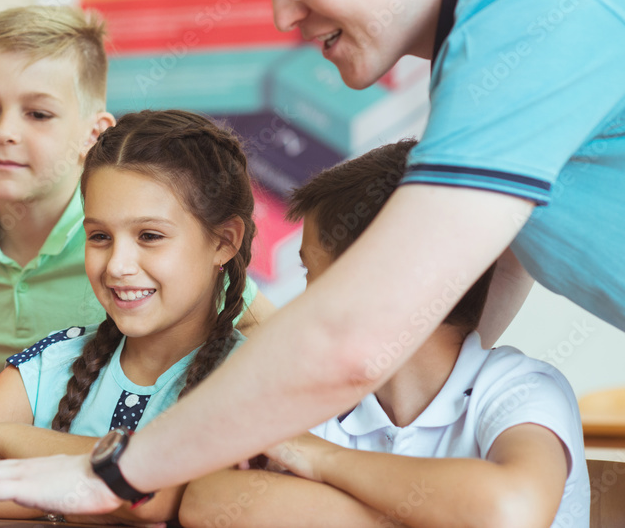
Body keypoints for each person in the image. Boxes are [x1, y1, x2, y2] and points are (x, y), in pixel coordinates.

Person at [0, 0, 625, 516]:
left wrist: (111, 476)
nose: (282, 12)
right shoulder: (500, 14)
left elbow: (356, 335)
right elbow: (493, 250)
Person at [179, 140, 588, 528]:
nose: (300, 308)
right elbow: (207, 501)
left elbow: (510, 509)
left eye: (312, 274)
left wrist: (322, 460)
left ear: (388, 283)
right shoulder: (323, 406)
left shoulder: (521, 391)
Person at [0, 5, 274, 376]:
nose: (4, 132)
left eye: (38, 114)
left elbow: (268, 331)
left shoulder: (135, 252)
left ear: (93, 134)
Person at [0, 109, 255, 523]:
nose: (117, 266)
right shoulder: (53, 363)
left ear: (224, 241)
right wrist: (95, 498)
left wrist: (7, 439)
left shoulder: (251, 380)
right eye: (100, 237)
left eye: (149, 236)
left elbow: (162, 496)